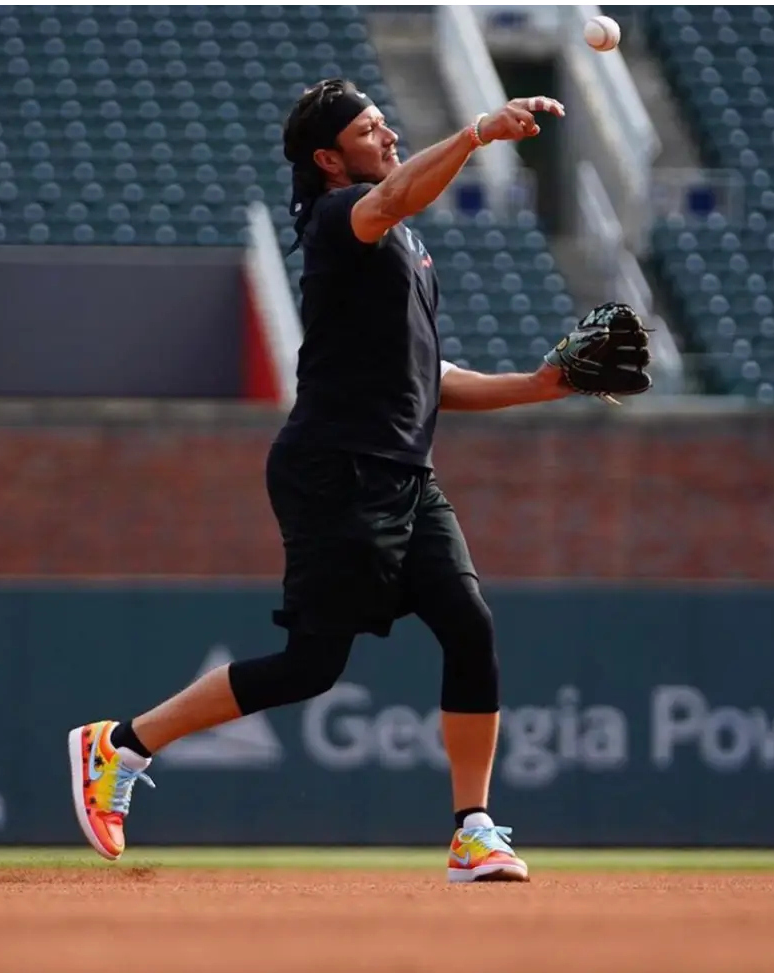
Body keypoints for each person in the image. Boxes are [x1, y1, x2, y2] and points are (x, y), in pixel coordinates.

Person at [69, 78, 571, 883]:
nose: (389, 135)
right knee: (310, 666)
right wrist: (476, 132)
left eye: (384, 122)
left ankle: (473, 829)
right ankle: (120, 744)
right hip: (334, 470)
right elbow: (402, 191)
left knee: (469, 623)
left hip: (406, 471)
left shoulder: (403, 243)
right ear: (329, 159)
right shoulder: (342, 218)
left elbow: (427, 375)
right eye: (371, 129)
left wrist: (540, 386)